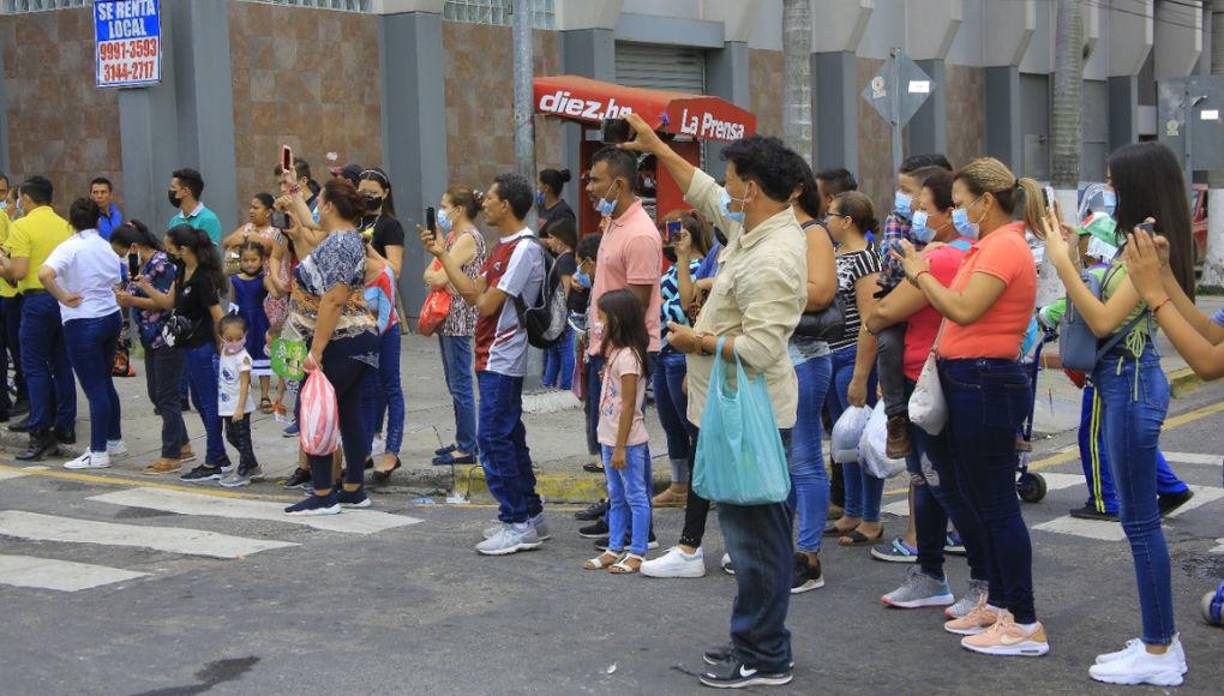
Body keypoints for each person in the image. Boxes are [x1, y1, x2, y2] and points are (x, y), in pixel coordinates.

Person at [622, 112, 806, 689]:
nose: (722, 187)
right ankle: (752, 640)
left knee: (757, 544)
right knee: (748, 537)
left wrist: (692, 340)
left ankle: (766, 655)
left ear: (751, 189)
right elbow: (702, 192)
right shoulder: (751, 230)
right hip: (729, 407)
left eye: (731, 179)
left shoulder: (774, 255)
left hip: (751, 415)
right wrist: (657, 147)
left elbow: (757, 347)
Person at [1043, 142, 1194, 685]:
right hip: (1121, 384)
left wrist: (1063, 264)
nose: (1105, 190)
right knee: (1137, 522)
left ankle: (1159, 650)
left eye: (1112, 181)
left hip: (1131, 385)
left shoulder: (1150, 243)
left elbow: (1105, 320)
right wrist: (1070, 254)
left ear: (1136, 186)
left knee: (1140, 522)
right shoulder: (1135, 241)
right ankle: (1158, 640)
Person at [893, 156, 1049, 656]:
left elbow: (961, 308)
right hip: (970, 380)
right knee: (980, 501)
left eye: (960, 204)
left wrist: (919, 272)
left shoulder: (1004, 248)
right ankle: (999, 603)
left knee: (998, 506)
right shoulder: (990, 244)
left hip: (986, 382)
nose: (956, 212)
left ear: (986, 201)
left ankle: (1023, 621)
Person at [865, 170, 991, 617]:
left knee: (944, 486)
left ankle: (980, 580)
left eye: (923, 206)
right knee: (927, 482)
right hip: (924, 379)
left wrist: (887, 297)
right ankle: (929, 574)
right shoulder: (948, 255)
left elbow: (881, 314)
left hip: (931, 379)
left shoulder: (940, 261)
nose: (914, 213)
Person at [419, 172, 548, 556]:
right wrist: (442, 254)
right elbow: (474, 290)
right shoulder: (502, 245)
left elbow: (486, 303)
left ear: (505, 204)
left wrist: (471, 286)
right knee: (508, 437)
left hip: (503, 356)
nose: (484, 203)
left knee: (492, 438)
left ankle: (517, 521)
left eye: (489, 198)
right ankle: (530, 514)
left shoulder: (524, 248)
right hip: (488, 353)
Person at [578, 146, 663, 543]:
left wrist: (613, 355)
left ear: (620, 183)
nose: (590, 186)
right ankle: (619, 513)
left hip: (626, 351)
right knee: (610, 432)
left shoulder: (641, 234)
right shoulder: (614, 221)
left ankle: (637, 529)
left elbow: (636, 305)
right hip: (605, 348)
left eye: (596, 179)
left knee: (630, 437)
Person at [282, 179, 381, 516]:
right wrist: (293, 192)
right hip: (360, 338)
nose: (314, 210)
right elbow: (309, 230)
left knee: (311, 410)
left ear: (327, 206)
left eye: (317, 202)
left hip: (340, 339)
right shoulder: (347, 239)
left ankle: (323, 492)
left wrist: (317, 351)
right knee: (349, 411)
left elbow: (334, 299)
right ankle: (353, 488)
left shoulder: (339, 243)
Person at [781, 156, 838, 592]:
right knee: (782, 462)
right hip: (775, 361)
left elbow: (821, 293)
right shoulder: (775, 233)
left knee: (804, 460)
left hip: (804, 357)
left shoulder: (812, 232)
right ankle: (783, 547)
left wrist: (765, 290)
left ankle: (808, 557)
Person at [874, 155, 955, 458]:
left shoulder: (951, 247)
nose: (904, 199)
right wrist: (920, 257)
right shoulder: (897, 220)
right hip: (895, 292)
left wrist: (922, 259)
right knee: (887, 341)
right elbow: (892, 266)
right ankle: (895, 415)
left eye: (910, 192)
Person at [136, 224, 230, 479]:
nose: (166, 252)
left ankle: (214, 460)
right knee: (199, 402)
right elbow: (168, 303)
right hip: (187, 347)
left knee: (208, 403)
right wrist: (145, 286)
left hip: (202, 348)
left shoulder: (202, 278)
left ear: (183, 249)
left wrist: (223, 347)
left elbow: (217, 315)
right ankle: (218, 454)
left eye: (169, 247)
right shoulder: (181, 271)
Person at [38, 198, 125, 470]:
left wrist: (63, 296)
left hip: (82, 320)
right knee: (105, 382)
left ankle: (98, 451)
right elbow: (117, 281)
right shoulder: (106, 247)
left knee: (95, 388)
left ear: (70, 222)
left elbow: (44, 273)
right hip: (110, 316)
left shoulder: (69, 247)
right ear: (98, 221)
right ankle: (113, 439)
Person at [0, 176, 77, 461]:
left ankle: (40, 431)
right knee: (61, 362)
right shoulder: (65, 225)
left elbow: (18, 272)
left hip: (36, 299)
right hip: (63, 298)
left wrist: (3, 264)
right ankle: (65, 425)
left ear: (27, 199)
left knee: (34, 366)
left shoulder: (22, 226)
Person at [822, 191, 883, 547]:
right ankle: (851, 510)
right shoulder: (831, 254)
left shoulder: (866, 261)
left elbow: (869, 320)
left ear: (847, 221)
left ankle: (872, 517)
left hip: (851, 357)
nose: (827, 220)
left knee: (863, 441)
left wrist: (861, 374)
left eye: (831, 215)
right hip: (828, 355)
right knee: (844, 440)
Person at [645, 211, 711, 512]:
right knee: (671, 424)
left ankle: (705, 485)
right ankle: (679, 484)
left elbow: (688, 308)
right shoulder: (672, 269)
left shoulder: (701, 267)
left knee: (692, 424)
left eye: (673, 230)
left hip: (681, 354)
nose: (666, 236)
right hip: (662, 352)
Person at [583, 289, 652, 574]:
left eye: (603, 318)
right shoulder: (617, 354)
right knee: (616, 495)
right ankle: (614, 547)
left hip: (628, 441)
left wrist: (621, 446)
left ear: (619, 320)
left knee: (635, 495)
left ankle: (638, 551)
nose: (599, 324)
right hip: (610, 437)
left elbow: (627, 407)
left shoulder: (629, 358)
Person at [112, 221, 190, 473]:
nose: (122, 259)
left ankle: (171, 454)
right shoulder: (142, 265)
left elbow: (166, 302)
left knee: (165, 396)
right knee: (157, 394)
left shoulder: (161, 265)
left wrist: (131, 299)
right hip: (150, 337)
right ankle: (184, 443)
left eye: (122, 253)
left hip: (166, 337)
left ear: (134, 246)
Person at [426, 186, 486, 467]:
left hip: (459, 319)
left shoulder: (467, 238)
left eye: (445, 206)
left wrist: (438, 269)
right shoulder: (452, 237)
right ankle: (464, 438)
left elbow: (436, 278)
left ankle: (466, 445)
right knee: (454, 382)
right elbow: (430, 273)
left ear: (459, 210)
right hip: (448, 319)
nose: (442, 212)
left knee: (460, 383)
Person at [362, 241, 405, 482]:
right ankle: (365, 451)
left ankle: (391, 453)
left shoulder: (383, 273)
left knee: (391, 388)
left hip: (386, 333)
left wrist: (367, 335)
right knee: (368, 391)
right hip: (364, 334)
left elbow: (386, 316)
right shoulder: (350, 275)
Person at [215, 314, 263, 488]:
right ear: (221, 338)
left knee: (243, 439)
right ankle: (253, 466)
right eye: (229, 339)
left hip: (240, 406)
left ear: (245, 335)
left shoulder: (243, 357)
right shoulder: (223, 350)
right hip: (227, 405)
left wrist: (240, 408)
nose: (234, 342)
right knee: (231, 437)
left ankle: (244, 471)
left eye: (239, 338)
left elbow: (244, 384)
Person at [230, 241, 272, 409]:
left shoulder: (264, 280)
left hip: (260, 322)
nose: (249, 263)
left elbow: (275, 295)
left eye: (253, 260)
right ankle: (243, 395)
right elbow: (232, 304)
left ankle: (265, 396)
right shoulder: (234, 280)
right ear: (240, 261)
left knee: (263, 359)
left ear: (261, 260)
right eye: (245, 260)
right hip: (242, 325)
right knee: (242, 361)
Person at [0, 173, 28, 425]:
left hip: (9, 293)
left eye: (2, 192)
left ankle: (22, 398)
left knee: (16, 350)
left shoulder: (8, 219)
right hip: (8, 292)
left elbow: (9, 253)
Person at [540, 216, 578, 391]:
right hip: (559, 313)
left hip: (562, 314)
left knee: (563, 350)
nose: (550, 242)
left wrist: (557, 315)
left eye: (552, 237)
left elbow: (564, 289)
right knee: (555, 351)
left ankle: (564, 386)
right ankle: (549, 383)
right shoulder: (564, 259)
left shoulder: (565, 261)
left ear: (562, 239)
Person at [357, 167, 404, 277]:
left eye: (373, 193)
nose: (367, 196)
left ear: (385, 193)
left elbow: (395, 271)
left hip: (374, 289)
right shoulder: (351, 219)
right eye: (363, 192)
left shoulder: (390, 225)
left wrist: (368, 250)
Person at [168, 168, 224, 246]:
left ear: (185, 191)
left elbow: (207, 254)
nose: (170, 191)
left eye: (173, 187)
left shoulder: (208, 219)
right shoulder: (174, 221)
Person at [222, 193, 278, 265]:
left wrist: (247, 238)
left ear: (268, 212)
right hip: (245, 274)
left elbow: (271, 249)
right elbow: (225, 243)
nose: (251, 211)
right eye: (251, 207)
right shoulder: (247, 227)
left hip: (267, 274)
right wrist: (236, 239)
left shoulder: (276, 231)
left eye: (256, 208)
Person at [537, 168, 576, 240]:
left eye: (539, 185)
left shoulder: (564, 212)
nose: (537, 189)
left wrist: (540, 241)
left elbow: (566, 241)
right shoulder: (538, 208)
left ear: (546, 188)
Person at [90, 177, 123, 241]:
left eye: (103, 192)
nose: (99, 196)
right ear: (90, 196)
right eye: (95, 192)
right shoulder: (89, 217)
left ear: (111, 195)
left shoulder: (116, 213)